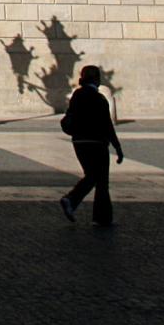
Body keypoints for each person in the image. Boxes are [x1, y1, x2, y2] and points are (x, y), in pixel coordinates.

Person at [58, 65, 123, 227]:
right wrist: (118, 147)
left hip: (79, 142)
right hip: (97, 143)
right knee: (101, 181)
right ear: (97, 79)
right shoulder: (99, 99)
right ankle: (99, 216)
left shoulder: (77, 96)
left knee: (92, 176)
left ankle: (72, 202)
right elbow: (108, 125)